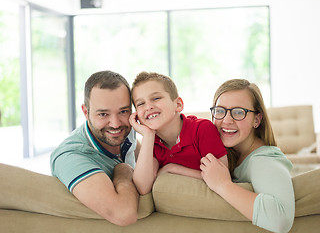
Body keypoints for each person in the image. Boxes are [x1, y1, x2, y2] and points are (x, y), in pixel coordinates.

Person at [200, 79, 295, 233]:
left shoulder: (264, 160)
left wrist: (222, 184)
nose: (226, 120)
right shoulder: (230, 154)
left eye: (238, 112)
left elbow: (281, 220)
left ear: (256, 120)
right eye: (220, 111)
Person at [50, 70, 140, 226]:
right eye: (103, 114)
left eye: (123, 111)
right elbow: (124, 214)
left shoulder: (129, 130)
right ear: (86, 112)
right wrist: (123, 172)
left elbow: (146, 154)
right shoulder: (69, 156)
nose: (116, 124)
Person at [129, 71, 228, 195]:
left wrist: (172, 168)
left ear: (178, 104)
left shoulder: (202, 129)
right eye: (141, 104)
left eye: (156, 98)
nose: (148, 107)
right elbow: (143, 187)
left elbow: (223, 177)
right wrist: (148, 135)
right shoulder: (151, 142)